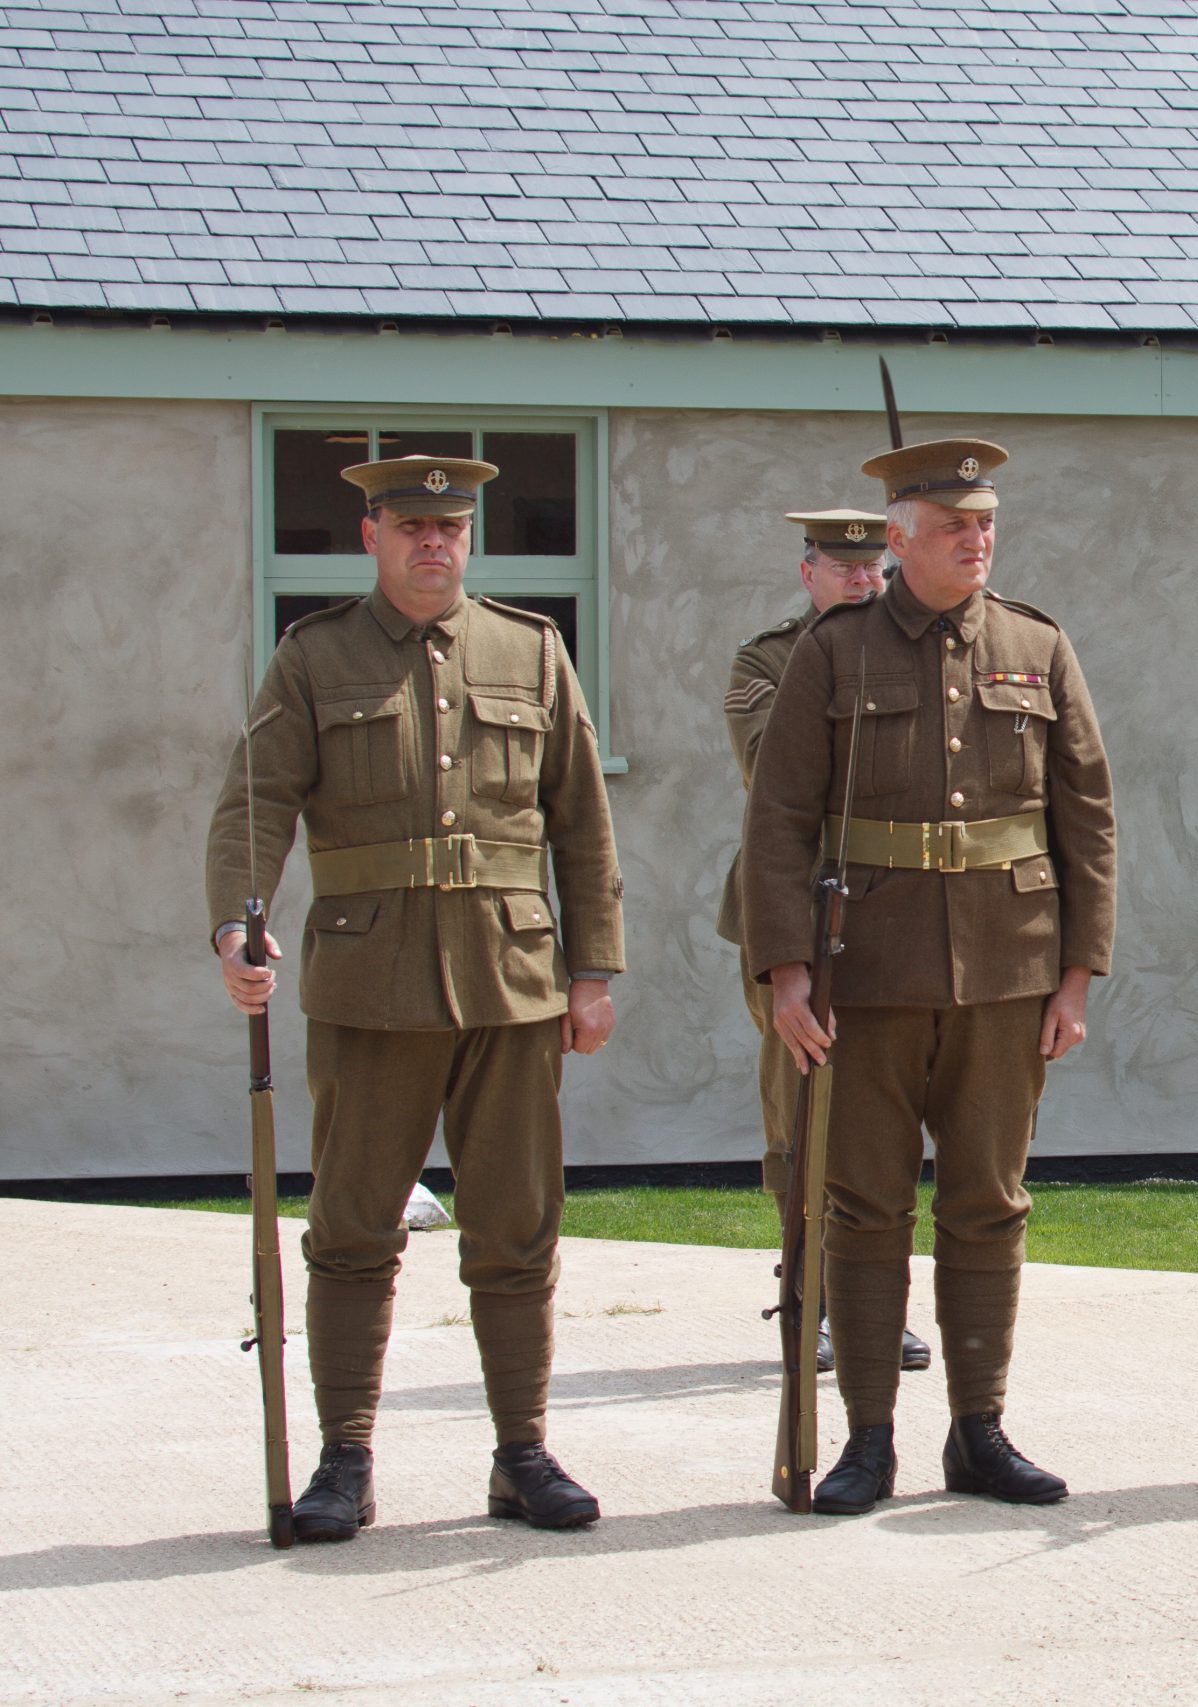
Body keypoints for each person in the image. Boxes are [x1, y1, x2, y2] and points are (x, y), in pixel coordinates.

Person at [206, 454, 624, 1539]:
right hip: (369, 987)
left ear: (468, 538)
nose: (433, 544)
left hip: (509, 984)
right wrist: (236, 925)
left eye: (450, 528)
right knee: (352, 1230)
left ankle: (522, 1454)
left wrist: (592, 971)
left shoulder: (532, 652)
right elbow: (253, 805)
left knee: (516, 1231)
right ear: (372, 537)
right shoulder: (315, 656)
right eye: (410, 527)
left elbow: (581, 823)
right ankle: (344, 1459)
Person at [743, 437, 1115, 1515]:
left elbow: (1086, 816)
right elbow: (778, 819)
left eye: (985, 524)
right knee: (864, 1210)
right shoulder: (835, 650)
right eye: (953, 526)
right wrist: (785, 973)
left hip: (1007, 974)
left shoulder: (1037, 645)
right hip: (866, 976)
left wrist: (1078, 973)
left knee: (988, 1204)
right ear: (899, 539)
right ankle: (867, 1437)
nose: (975, 541)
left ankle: (979, 1431)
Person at [718, 508, 927, 1376]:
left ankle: (877, 1305)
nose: (862, 580)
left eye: (874, 567)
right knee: (801, 1112)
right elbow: (780, 770)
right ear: (808, 574)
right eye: (843, 568)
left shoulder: (918, 651)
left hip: (889, 912)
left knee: (884, 1117)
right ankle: (810, 1297)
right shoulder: (767, 662)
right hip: (791, 913)